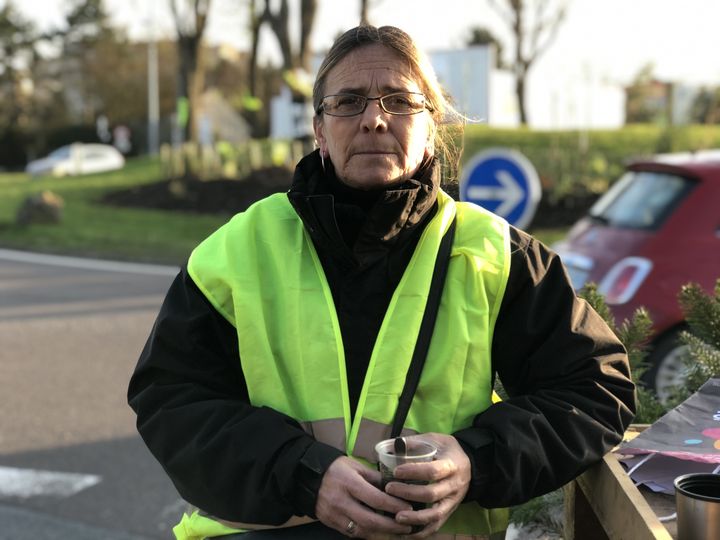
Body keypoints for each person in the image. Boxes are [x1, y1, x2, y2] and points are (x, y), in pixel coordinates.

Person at [128, 25, 636, 540]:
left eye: (399, 101)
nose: (374, 119)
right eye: (349, 102)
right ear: (319, 130)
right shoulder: (235, 251)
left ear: (431, 123)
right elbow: (170, 401)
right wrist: (302, 472)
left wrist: (475, 460)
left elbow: (595, 389)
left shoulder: (498, 255)